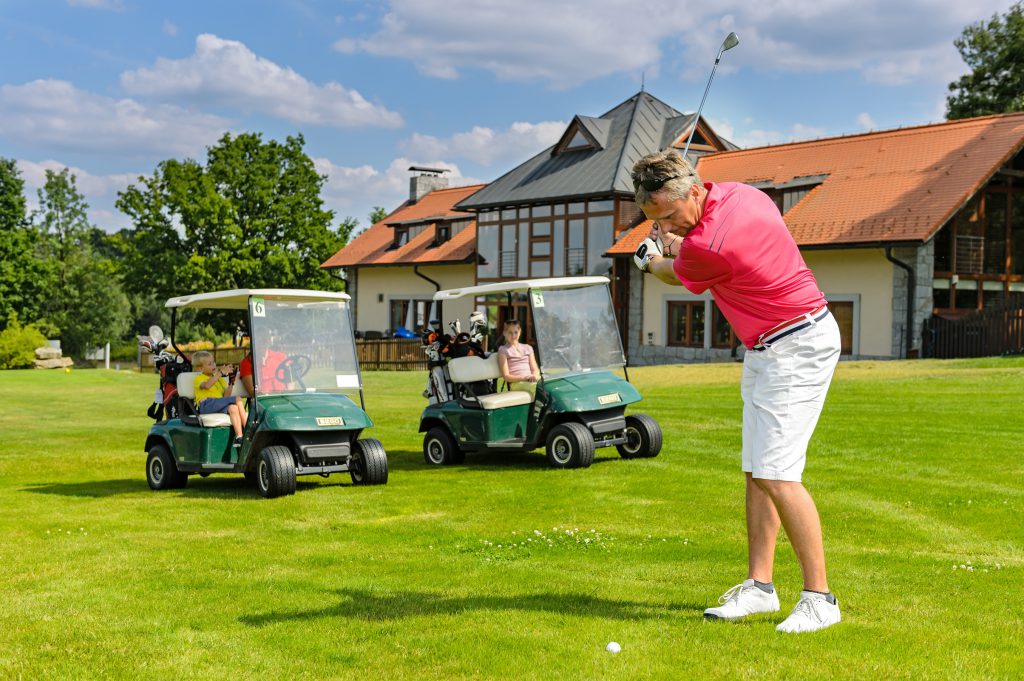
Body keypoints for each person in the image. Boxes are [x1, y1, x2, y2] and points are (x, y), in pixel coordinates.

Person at [632, 149, 842, 634]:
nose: (667, 226)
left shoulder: (708, 247)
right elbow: (691, 243)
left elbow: (673, 273)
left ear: (693, 191)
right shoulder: (743, 194)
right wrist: (673, 237)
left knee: (778, 475)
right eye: (655, 220)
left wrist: (649, 258)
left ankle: (820, 598)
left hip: (795, 346)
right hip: (770, 345)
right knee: (757, 470)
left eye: (669, 216)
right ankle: (760, 587)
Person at [191, 350, 247, 445]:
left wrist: (231, 382)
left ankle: (239, 437)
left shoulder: (219, 379)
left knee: (233, 408)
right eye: (209, 364)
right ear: (200, 368)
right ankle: (248, 430)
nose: (214, 365)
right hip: (206, 404)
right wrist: (220, 372)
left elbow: (226, 396)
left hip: (217, 404)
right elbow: (207, 385)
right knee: (237, 398)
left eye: (213, 362)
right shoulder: (198, 378)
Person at [495, 320, 540, 396]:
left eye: (516, 332)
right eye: (510, 333)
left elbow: (535, 369)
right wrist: (525, 378)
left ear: (520, 332)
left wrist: (533, 377)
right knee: (539, 388)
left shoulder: (528, 348)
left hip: (530, 380)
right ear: (504, 333)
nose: (513, 336)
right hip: (516, 383)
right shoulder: (503, 350)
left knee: (548, 385)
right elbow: (506, 376)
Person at [238, 331, 288, 396]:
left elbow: (290, 380)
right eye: (259, 340)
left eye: (265, 339)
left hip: (285, 397)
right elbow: (252, 392)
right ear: (254, 342)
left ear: (269, 341)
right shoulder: (247, 363)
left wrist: (288, 394)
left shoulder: (281, 357)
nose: (263, 343)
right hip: (264, 399)